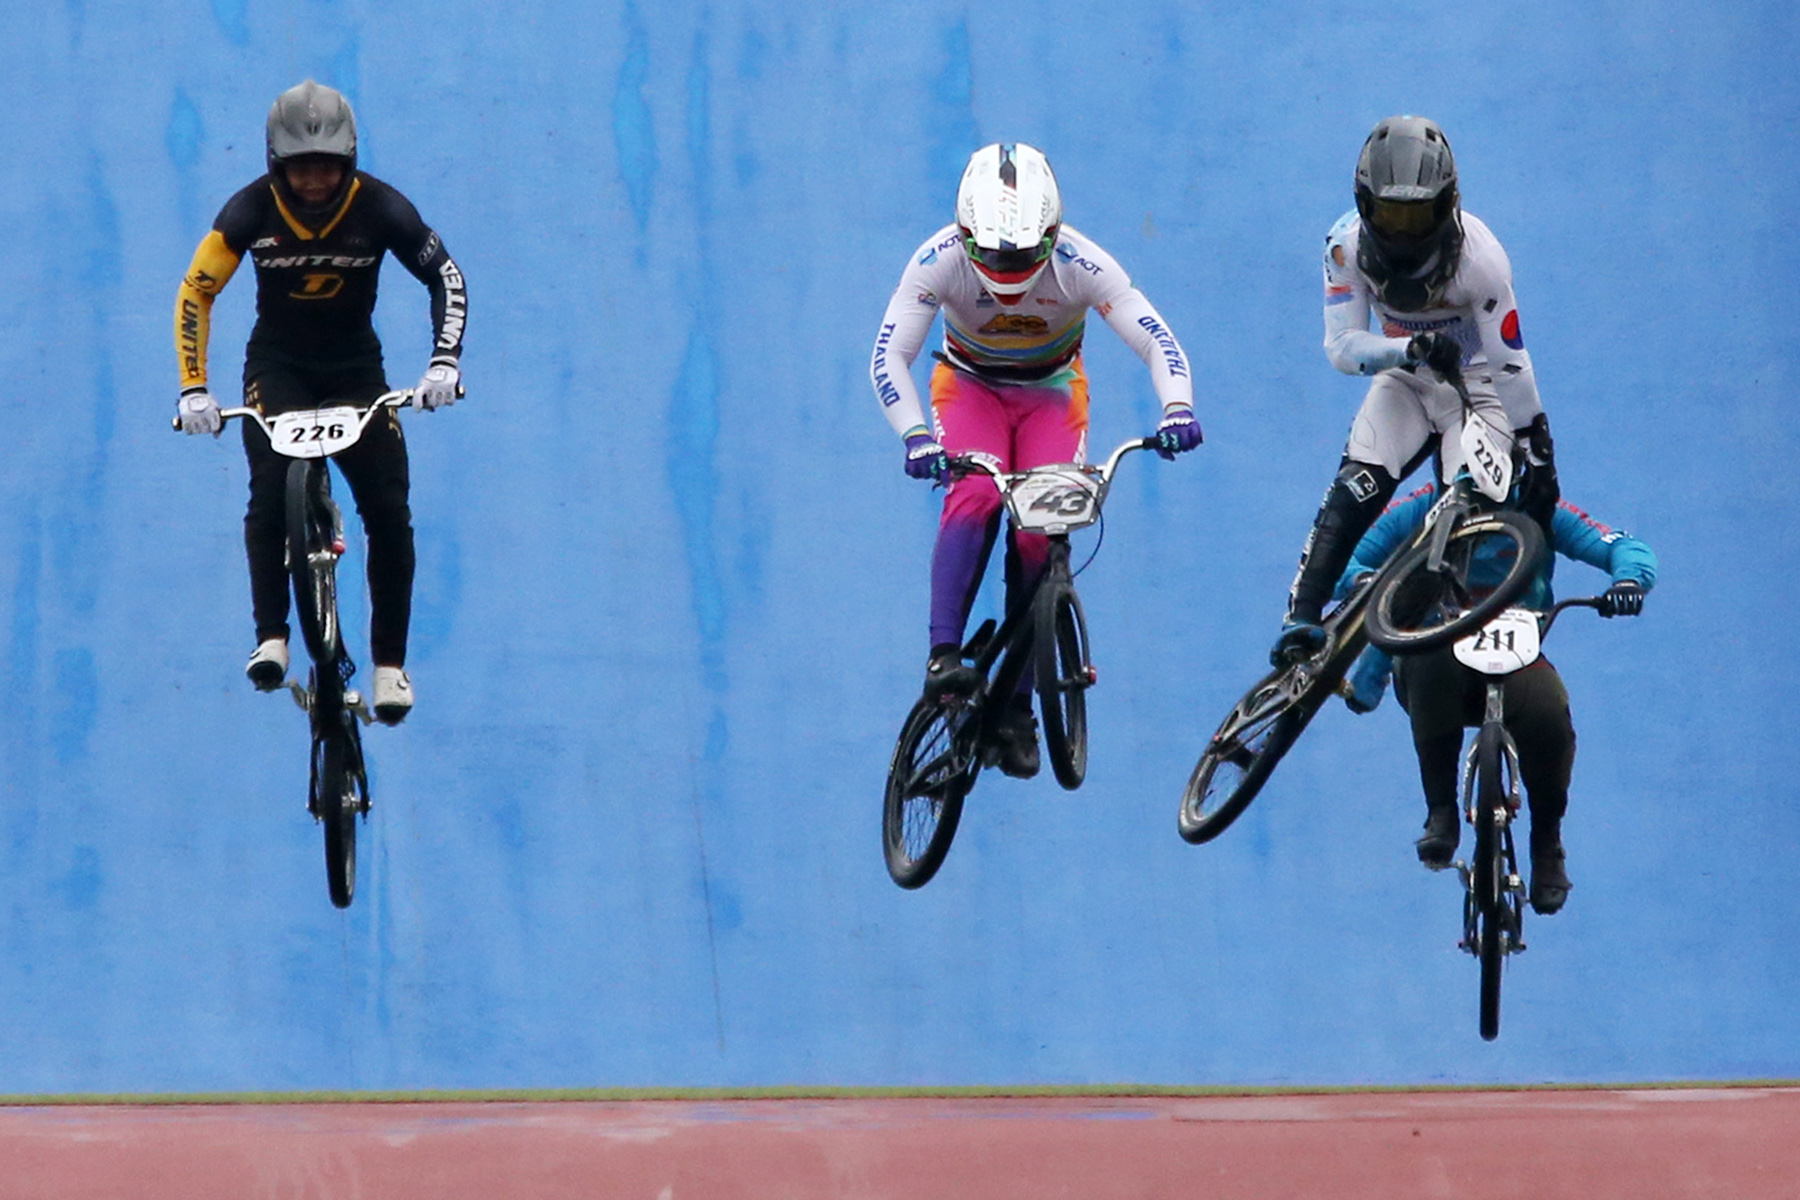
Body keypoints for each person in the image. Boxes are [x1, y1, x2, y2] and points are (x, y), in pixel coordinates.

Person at [870, 143, 1201, 778]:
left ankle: (1018, 706)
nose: (1009, 270)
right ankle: (943, 656)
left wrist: (1177, 408)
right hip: (969, 389)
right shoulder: (937, 261)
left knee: (1037, 531)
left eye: (1024, 256)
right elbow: (888, 356)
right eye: (994, 256)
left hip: (1051, 393)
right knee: (975, 496)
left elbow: (1156, 340)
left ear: (1052, 234)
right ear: (965, 236)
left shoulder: (1083, 264)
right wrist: (915, 436)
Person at [174, 80, 467, 725]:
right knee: (268, 490)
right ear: (275, 164)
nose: (313, 182)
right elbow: (197, 291)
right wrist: (195, 386)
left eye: (327, 167)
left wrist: (443, 362)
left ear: (350, 161)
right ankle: (271, 639)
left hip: (356, 372)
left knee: (387, 507)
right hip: (276, 368)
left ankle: (389, 666)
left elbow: (444, 275)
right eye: (300, 168)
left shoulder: (382, 207)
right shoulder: (247, 210)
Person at [1273, 114, 1557, 667]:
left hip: (1478, 389)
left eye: (1417, 214)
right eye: (1389, 213)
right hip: (1408, 376)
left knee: (1467, 502)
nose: (1402, 231)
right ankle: (1301, 616)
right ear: (1363, 205)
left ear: (1448, 203)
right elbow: (1342, 348)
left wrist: (1538, 452)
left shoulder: (1483, 260)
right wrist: (1409, 350)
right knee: (1356, 484)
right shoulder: (1344, 246)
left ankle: (1427, 615)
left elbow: (1510, 364)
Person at [1338, 482, 1657, 914]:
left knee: (1549, 711)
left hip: (1515, 657)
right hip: (1433, 650)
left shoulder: (1540, 507)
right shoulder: (1424, 506)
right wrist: (1364, 581)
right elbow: (1346, 558)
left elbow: (1620, 546)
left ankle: (1547, 842)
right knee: (1432, 666)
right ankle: (1441, 812)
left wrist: (1629, 579)